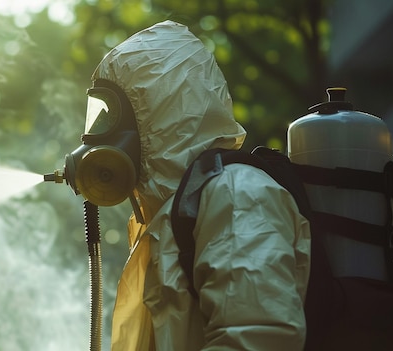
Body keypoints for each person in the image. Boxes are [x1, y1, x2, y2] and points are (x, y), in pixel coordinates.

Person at [81, 20, 311, 350]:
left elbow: (255, 338)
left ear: (158, 112)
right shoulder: (169, 218)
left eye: (110, 115)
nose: (96, 136)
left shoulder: (236, 196)